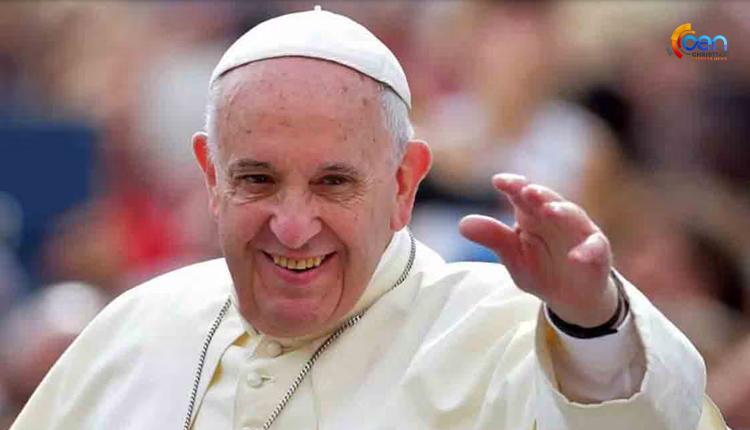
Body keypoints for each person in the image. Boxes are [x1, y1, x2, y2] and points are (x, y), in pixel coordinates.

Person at [10, 7, 726, 430]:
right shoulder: (133, 328)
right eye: (257, 179)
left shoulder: (507, 335)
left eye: (334, 183)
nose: (293, 226)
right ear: (210, 177)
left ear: (405, 183)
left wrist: (594, 328)